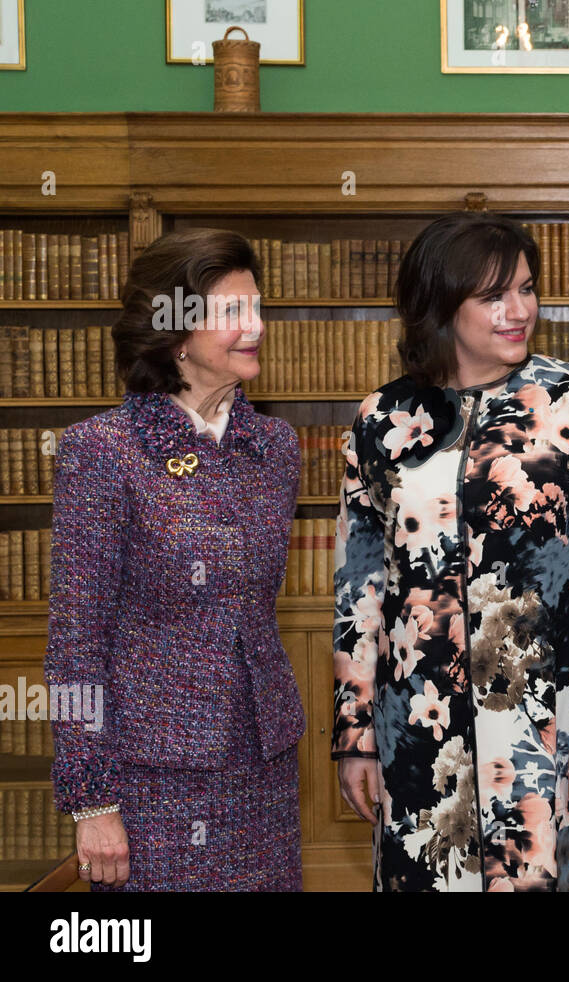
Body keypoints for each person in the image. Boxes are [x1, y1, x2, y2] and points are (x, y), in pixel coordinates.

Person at [332, 211, 569, 892]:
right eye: (493, 296)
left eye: (527, 289)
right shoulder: (381, 420)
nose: (518, 310)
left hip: (551, 727)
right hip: (419, 730)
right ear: (440, 307)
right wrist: (356, 735)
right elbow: (360, 589)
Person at [46, 227, 305, 891]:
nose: (255, 327)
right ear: (175, 332)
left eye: (257, 308)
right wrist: (93, 802)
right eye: (231, 313)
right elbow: (76, 641)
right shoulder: (103, 452)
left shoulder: (275, 448)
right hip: (151, 780)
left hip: (264, 762)